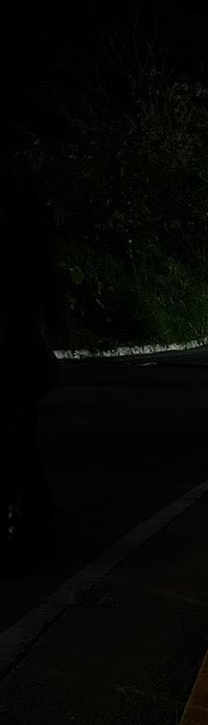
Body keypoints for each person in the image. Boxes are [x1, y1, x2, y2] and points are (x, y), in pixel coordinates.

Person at [0, 168, 62, 574]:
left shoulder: (18, 248)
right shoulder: (31, 245)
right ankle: (33, 530)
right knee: (21, 446)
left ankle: (29, 529)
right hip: (25, 358)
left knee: (17, 446)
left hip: (17, 360)